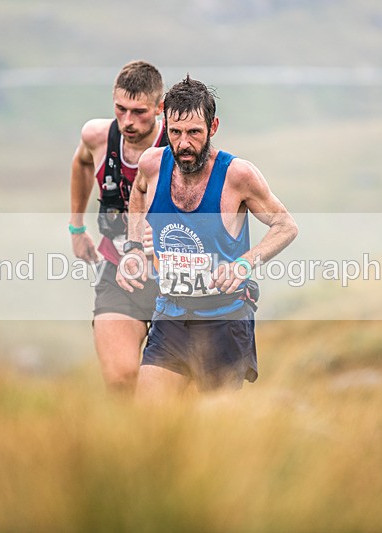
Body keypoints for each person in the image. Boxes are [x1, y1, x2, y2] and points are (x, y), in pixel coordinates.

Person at [116, 75, 298, 399]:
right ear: (166, 126)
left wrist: (244, 263)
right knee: (147, 422)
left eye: (194, 133)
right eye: (175, 132)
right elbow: (138, 193)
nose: (184, 144)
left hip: (224, 321)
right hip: (170, 315)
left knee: (215, 434)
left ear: (212, 128)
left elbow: (285, 226)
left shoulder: (238, 175)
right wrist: (132, 246)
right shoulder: (152, 165)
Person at [69, 60, 167, 394]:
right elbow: (81, 163)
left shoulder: (180, 143)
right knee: (121, 379)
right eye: (120, 109)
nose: (127, 121)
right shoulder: (97, 136)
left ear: (160, 107)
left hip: (177, 276)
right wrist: (76, 227)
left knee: (171, 391)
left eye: (139, 111)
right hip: (119, 268)